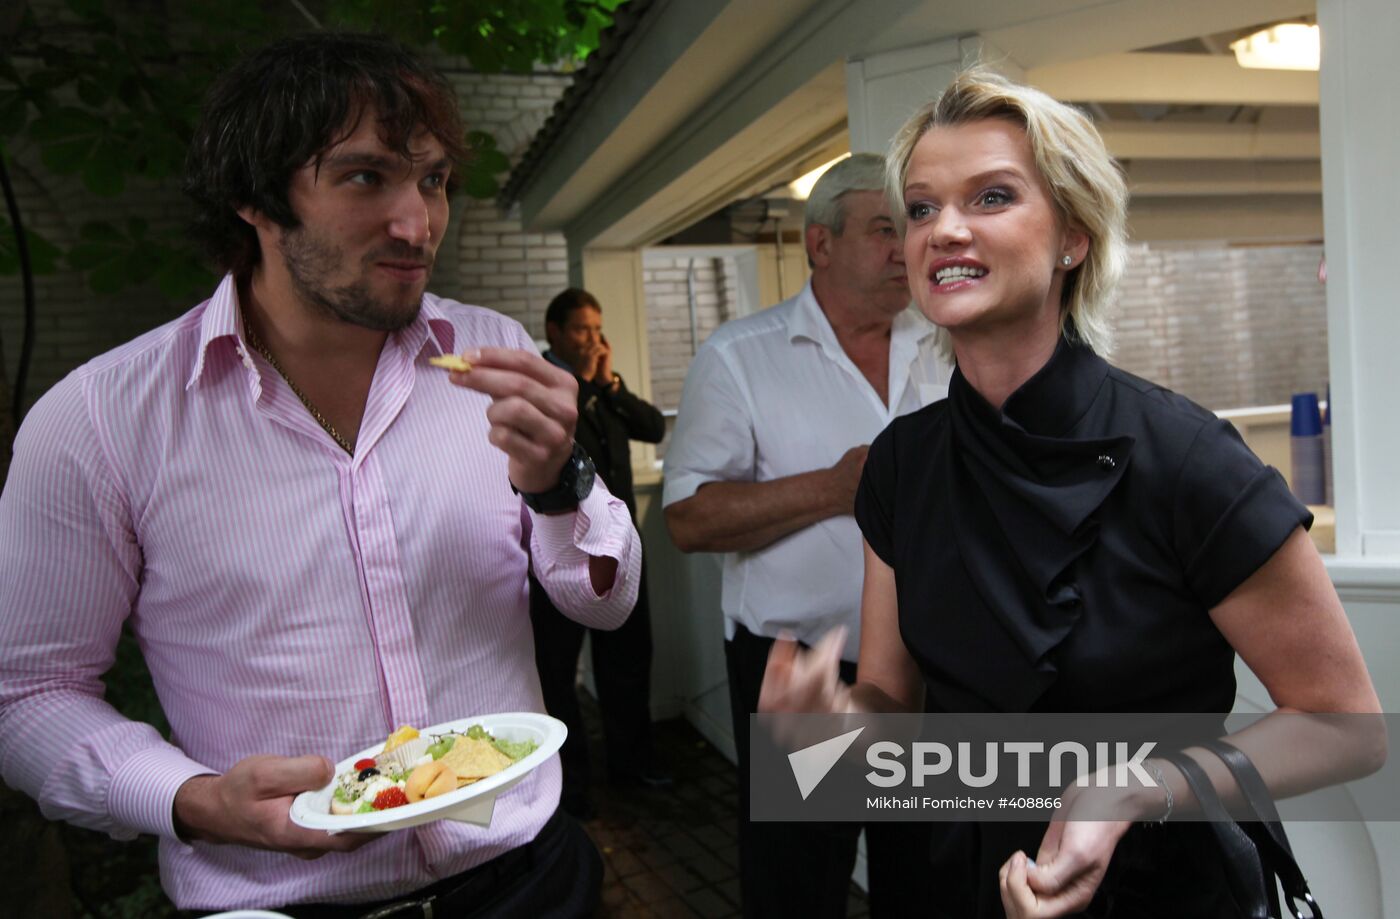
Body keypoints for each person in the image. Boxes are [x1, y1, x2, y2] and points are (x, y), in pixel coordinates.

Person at [0, 33, 642, 916]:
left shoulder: (491, 350)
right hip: (274, 900)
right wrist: (186, 798)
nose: (417, 224)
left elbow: (602, 601)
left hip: (529, 881)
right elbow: (28, 695)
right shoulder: (102, 421)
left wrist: (560, 480)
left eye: (433, 179)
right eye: (365, 177)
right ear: (253, 199)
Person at [758, 68, 1385, 918]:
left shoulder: (1187, 459)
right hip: (961, 884)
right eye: (920, 208)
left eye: (991, 197)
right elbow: (893, 704)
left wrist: (1133, 789)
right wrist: (827, 728)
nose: (944, 229)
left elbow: (1348, 724)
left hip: (1165, 888)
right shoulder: (902, 466)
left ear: (1073, 239)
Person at [663, 153, 949, 918]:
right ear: (819, 243)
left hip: (934, 669)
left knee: (922, 873)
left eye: (914, 224)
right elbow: (687, 518)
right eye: (886, 229)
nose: (907, 248)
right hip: (800, 668)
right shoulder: (739, 357)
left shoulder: (947, 343)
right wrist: (834, 487)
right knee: (800, 882)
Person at [532, 287, 668, 818]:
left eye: (598, 328)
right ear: (556, 334)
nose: (594, 338)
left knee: (629, 663)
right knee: (557, 675)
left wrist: (608, 383)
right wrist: (590, 384)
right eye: (582, 330)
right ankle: (571, 785)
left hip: (621, 555)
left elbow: (652, 427)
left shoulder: (603, 387)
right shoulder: (546, 385)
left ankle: (632, 763)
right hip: (561, 559)